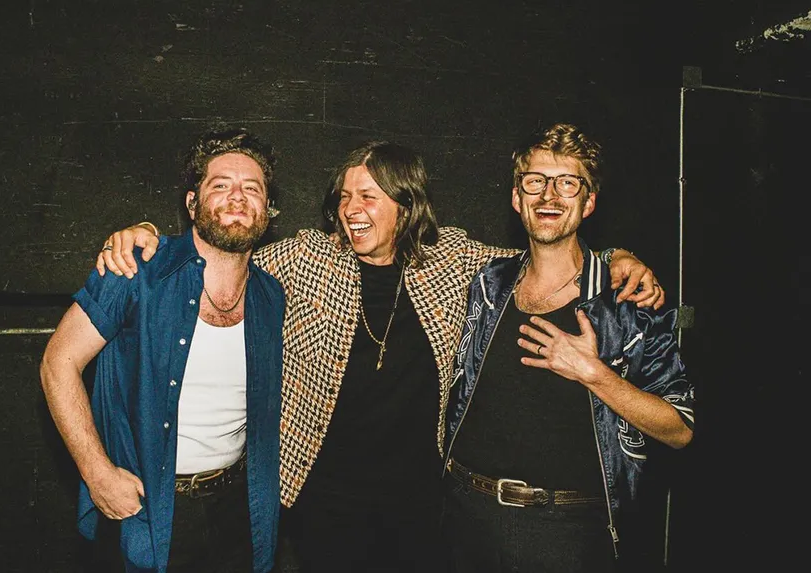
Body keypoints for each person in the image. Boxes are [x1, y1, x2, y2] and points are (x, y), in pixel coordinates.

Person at [95, 140, 665, 572]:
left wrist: (617, 256)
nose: (351, 207)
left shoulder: (453, 259)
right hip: (319, 500)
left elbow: (545, 251)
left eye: (369, 195)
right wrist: (145, 233)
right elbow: (225, 247)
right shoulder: (306, 256)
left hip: (423, 505)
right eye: (344, 195)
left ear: (406, 204)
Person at [442, 123, 695, 572]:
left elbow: (681, 428)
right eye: (536, 181)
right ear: (517, 198)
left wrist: (593, 372)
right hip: (464, 516)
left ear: (589, 201)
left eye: (567, 183)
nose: (549, 196)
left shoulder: (627, 303)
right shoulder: (489, 282)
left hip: (567, 533)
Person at [39, 126, 285, 573]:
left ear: (268, 209)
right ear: (192, 203)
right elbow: (59, 361)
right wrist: (97, 473)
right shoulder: (136, 270)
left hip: (239, 503)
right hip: (154, 503)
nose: (237, 197)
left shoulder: (272, 296)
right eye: (220, 185)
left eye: (252, 188)